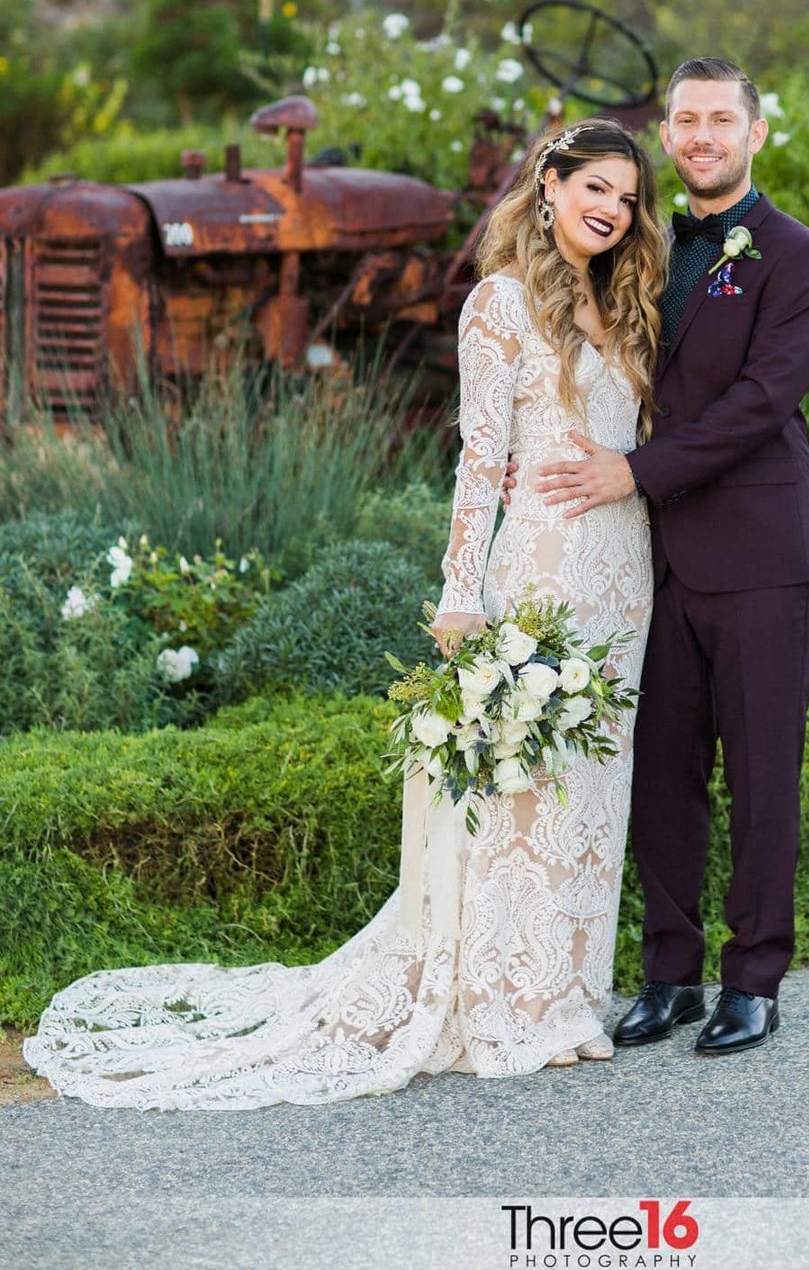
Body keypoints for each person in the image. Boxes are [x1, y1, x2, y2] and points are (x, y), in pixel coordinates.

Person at [21, 117, 667, 1109]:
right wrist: (461, 593)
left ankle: (572, 993)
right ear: (549, 187)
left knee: (594, 785)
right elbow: (478, 462)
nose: (611, 210)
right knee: (525, 789)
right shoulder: (500, 302)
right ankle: (510, 1001)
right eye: (597, 189)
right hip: (540, 560)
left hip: (625, 574)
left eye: (627, 198)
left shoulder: (625, 305)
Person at [531, 58, 809, 1057]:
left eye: (721, 119)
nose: (702, 135)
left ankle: (754, 979)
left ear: (756, 131)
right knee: (659, 774)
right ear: (667, 136)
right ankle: (668, 970)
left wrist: (634, 473)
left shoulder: (801, 259)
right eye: (686, 120)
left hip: (759, 552)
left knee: (761, 774)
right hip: (645, 563)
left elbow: (759, 404)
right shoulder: (639, 249)